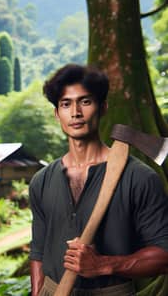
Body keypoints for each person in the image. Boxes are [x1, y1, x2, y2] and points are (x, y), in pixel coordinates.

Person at [29, 64, 168, 296]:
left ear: (102, 107)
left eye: (85, 102)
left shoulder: (140, 178)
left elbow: (165, 255)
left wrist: (105, 264)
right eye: (65, 104)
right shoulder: (41, 181)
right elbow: (38, 251)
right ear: (57, 114)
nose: (75, 112)